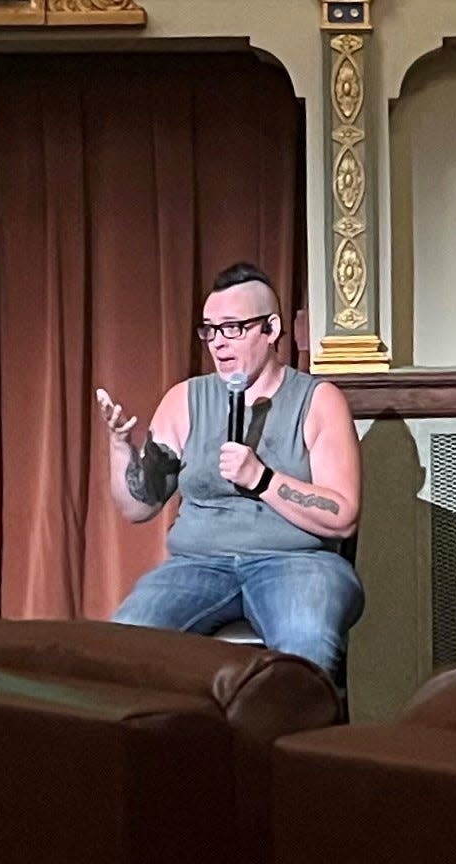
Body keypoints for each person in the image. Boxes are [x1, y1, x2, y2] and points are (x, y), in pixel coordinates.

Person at [96, 263, 364, 676]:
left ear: (271, 329)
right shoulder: (185, 399)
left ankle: (292, 741)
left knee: (305, 645)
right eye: (210, 330)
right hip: (198, 564)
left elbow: (343, 516)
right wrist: (119, 448)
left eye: (233, 328)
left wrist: (262, 479)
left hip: (296, 562)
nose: (219, 343)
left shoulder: (318, 401)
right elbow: (138, 507)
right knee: (124, 641)